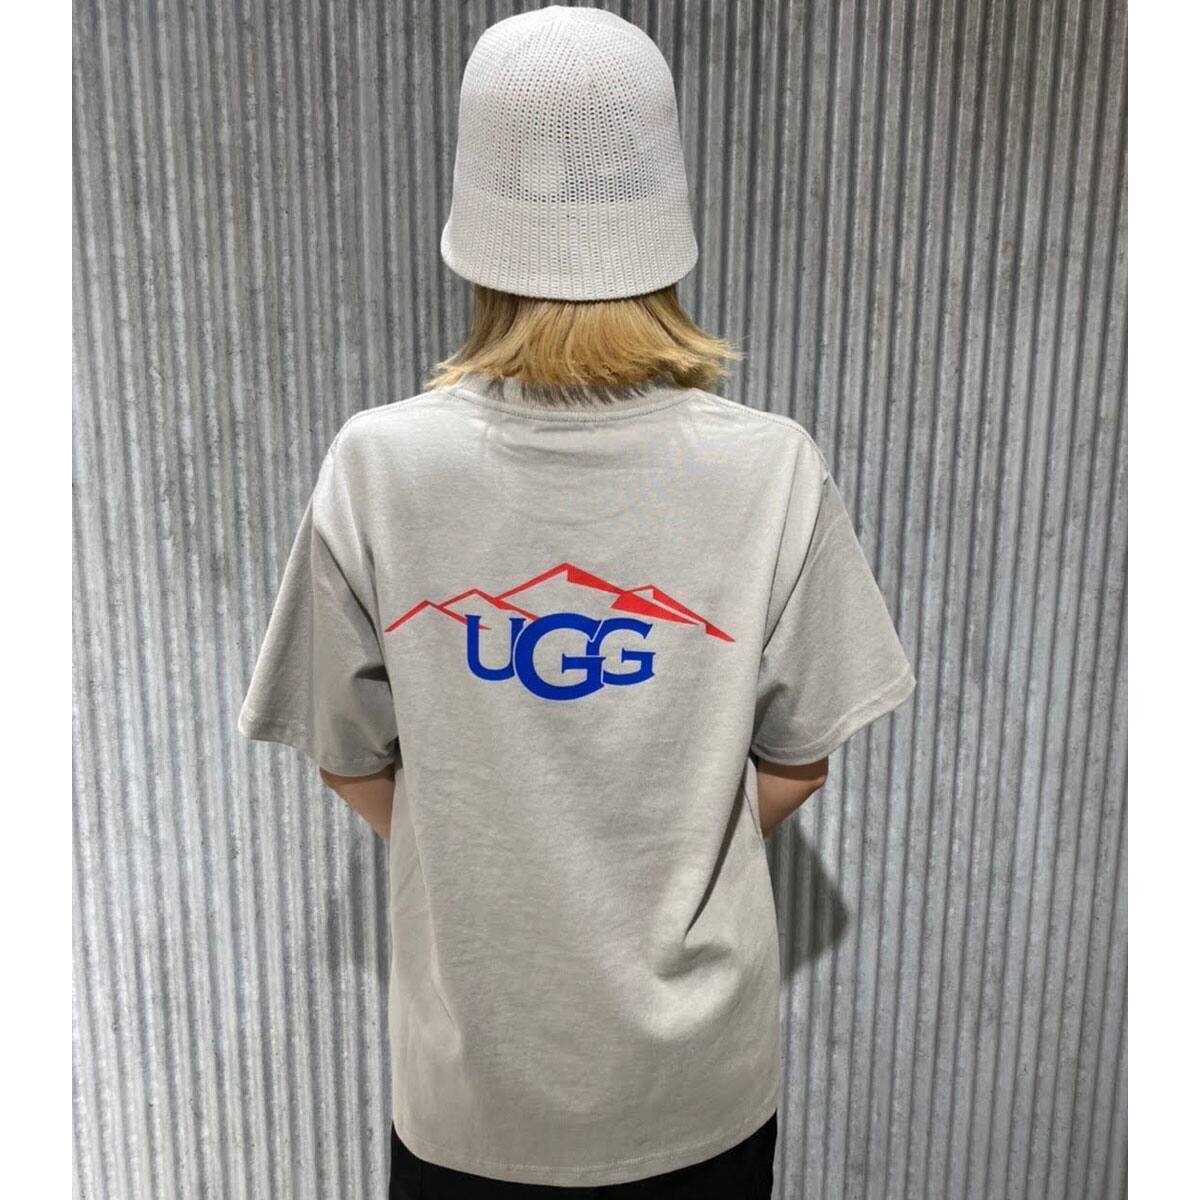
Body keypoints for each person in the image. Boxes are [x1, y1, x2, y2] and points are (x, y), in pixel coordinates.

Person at [237, 7, 916, 1197]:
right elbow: (801, 760)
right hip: (695, 1084)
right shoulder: (767, 467)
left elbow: (346, 756)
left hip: (473, 1092)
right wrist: (657, 866)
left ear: (473, 228)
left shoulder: (381, 465)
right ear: (669, 221)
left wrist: (490, 862)